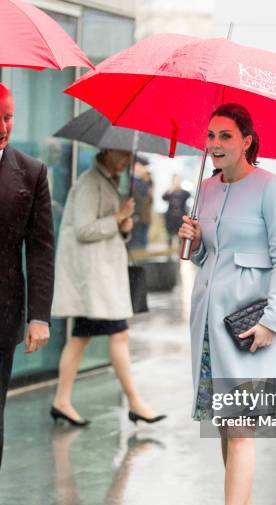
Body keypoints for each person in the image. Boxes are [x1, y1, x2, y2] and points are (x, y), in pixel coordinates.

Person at [178, 103, 276, 505]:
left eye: (225, 135)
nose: (214, 144)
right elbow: (204, 256)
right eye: (210, 135)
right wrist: (192, 238)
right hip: (207, 324)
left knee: (241, 428)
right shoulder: (203, 189)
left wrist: (272, 320)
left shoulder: (272, 188)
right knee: (224, 428)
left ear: (247, 140)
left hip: (249, 329)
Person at [51, 149, 166, 427]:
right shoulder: (90, 183)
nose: (128, 160)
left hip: (99, 280)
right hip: (93, 281)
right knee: (118, 334)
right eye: (123, 154)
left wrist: (124, 224)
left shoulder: (107, 181)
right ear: (107, 151)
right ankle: (135, 402)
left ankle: (62, 401)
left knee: (82, 337)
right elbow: (83, 230)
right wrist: (118, 217)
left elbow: (106, 230)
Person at [0, 84, 54, 467]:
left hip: (2, 314)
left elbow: (40, 249)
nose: (4, 125)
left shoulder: (32, 172)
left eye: (8, 116)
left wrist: (39, 315)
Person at [128, 157, 153, 250]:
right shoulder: (132, 181)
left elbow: (149, 199)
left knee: (142, 245)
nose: (144, 169)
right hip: (136, 218)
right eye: (143, 166)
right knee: (136, 246)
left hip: (144, 218)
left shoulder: (146, 181)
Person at [163, 174, 191, 248]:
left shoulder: (184, 192)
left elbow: (188, 195)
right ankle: (168, 254)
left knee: (180, 237)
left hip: (180, 217)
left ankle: (180, 253)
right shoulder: (169, 192)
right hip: (171, 217)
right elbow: (164, 197)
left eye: (178, 180)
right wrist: (171, 190)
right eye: (175, 180)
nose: (177, 182)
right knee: (170, 237)